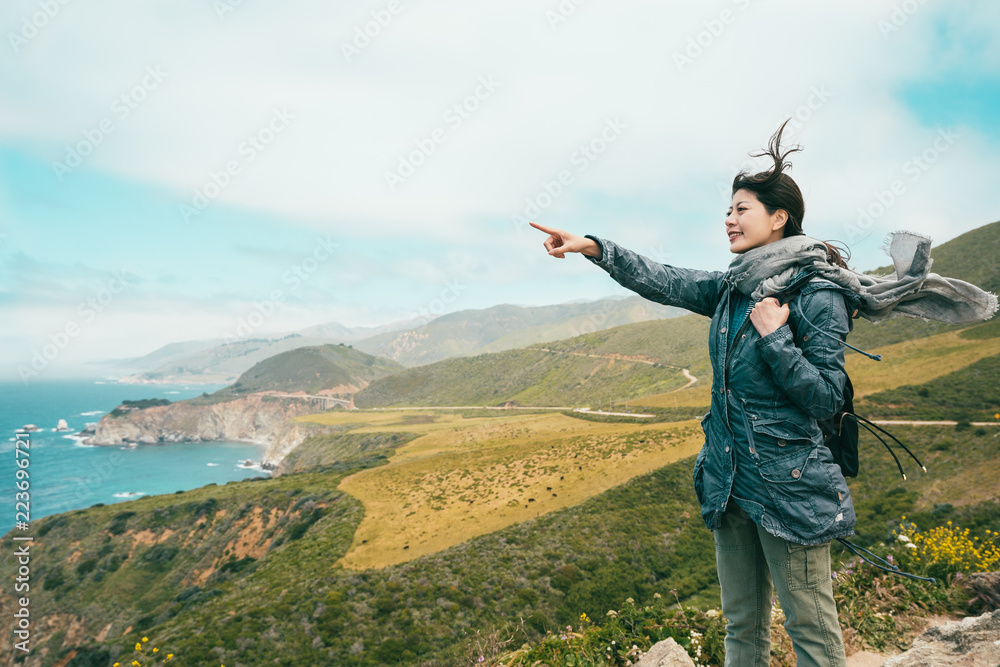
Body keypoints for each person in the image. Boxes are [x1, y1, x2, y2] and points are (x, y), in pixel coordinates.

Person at [531, 119, 860, 667]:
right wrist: (593, 247)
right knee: (741, 627)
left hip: (791, 488)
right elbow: (663, 278)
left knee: (811, 629)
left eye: (742, 209)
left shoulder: (816, 294)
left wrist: (776, 337)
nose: (729, 219)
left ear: (779, 219)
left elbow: (827, 399)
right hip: (729, 481)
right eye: (728, 209)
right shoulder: (732, 287)